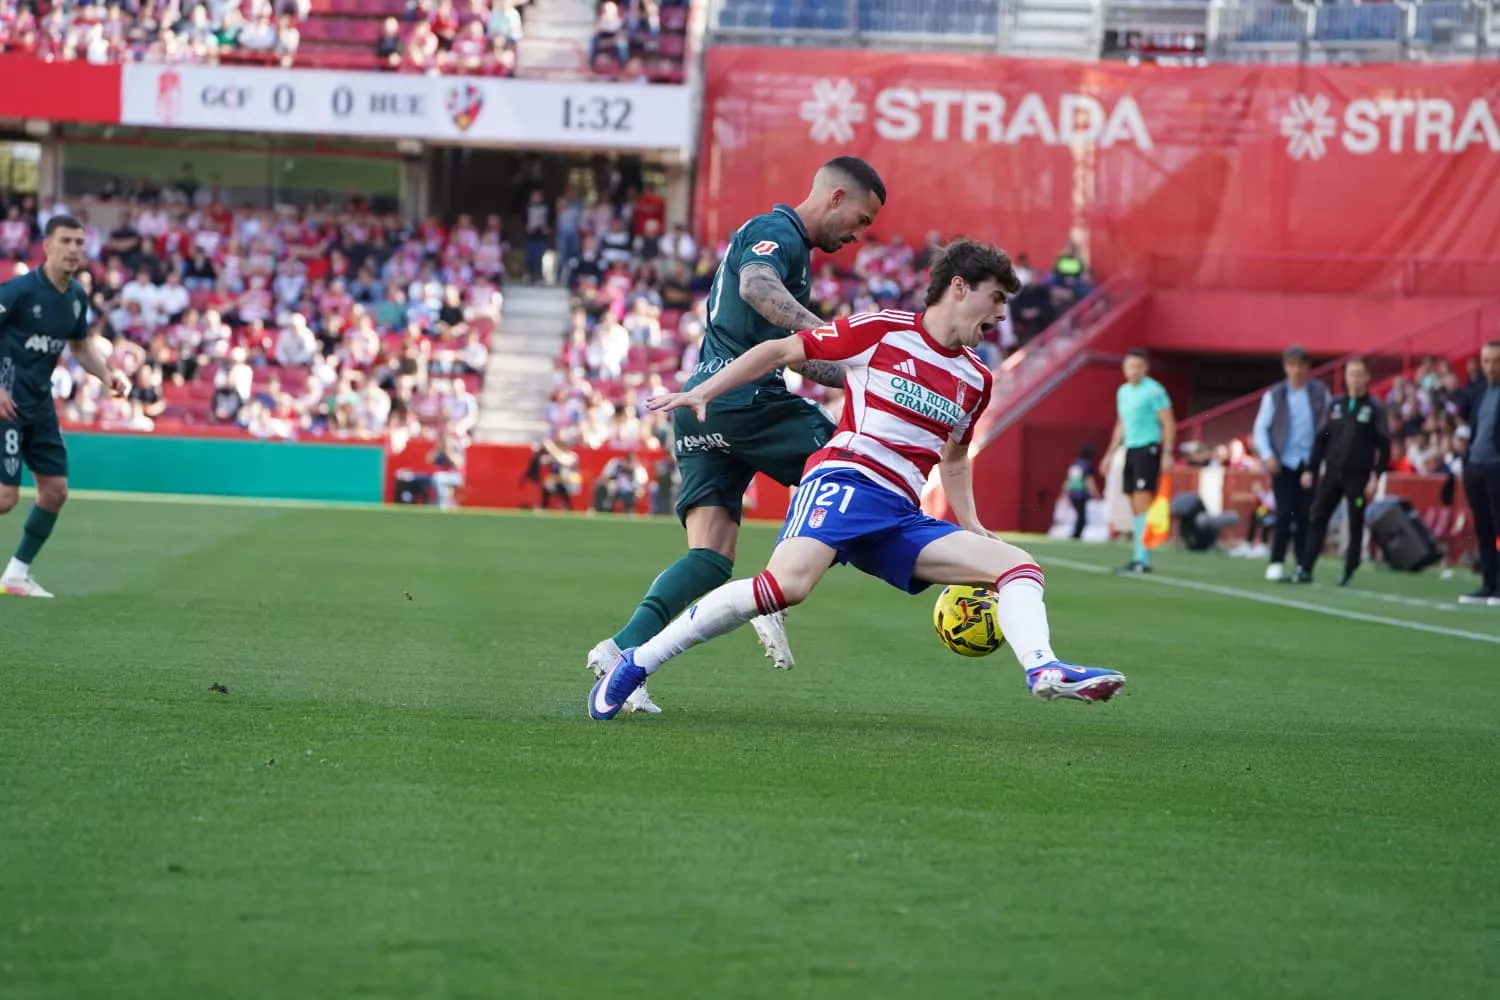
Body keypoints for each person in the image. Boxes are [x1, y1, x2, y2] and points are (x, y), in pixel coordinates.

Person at [588, 240, 1125, 720]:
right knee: (784, 588)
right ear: (959, 287)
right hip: (846, 480)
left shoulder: (976, 378)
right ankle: (637, 662)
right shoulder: (883, 329)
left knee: (1018, 565)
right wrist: (705, 391)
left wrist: (974, 525)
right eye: (997, 298)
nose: (1002, 314)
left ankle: (1044, 670)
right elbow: (780, 351)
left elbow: (955, 459)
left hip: (900, 512)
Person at [585, 156, 887, 714]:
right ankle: (777, 587)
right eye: (862, 221)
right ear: (838, 198)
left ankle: (621, 649)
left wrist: (859, 377)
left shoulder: (787, 247)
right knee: (861, 480)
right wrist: (827, 333)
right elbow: (756, 286)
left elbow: (802, 357)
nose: (860, 236)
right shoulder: (778, 233)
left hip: (703, 407)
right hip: (749, 402)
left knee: (710, 558)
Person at [0, 216, 130, 597]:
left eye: (80, 242)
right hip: (5, 404)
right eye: (67, 241)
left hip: (38, 407)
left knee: (55, 490)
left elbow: (80, 345)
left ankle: (16, 575)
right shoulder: (18, 291)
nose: (75, 249)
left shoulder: (75, 297)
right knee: (5, 498)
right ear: (48, 246)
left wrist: (107, 375)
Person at [1290, 357, 1390, 587]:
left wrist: (1376, 476)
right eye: (1350, 374)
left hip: (1359, 475)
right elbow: (1322, 439)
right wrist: (1311, 469)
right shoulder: (1336, 405)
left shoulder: (1374, 408)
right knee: (1317, 516)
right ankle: (1305, 566)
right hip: (1333, 473)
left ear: (1366, 377)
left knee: (1355, 522)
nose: (1353, 379)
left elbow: (1384, 445)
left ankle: (1349, 569)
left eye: (1358, 374)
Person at [1252, 345, 1331, 581]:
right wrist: (1267, 455)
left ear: (1308, 367)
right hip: (1283, 461)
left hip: (1310, 462)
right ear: (1286, 367)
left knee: (1306, 514)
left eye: (1300, 365)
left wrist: (1321, 460)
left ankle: (1302, 563)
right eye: (1291, 365)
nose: (1296, 370)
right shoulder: (1275, 395)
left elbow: (1327, 427)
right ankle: (1276, 560)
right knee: (1284, 512)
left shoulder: (1319, 393)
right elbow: (1261, 428)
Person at [1102, 349, 1174, 573]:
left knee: (1143, 502)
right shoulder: (1123, 391)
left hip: (1148, 448)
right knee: (1134, 504)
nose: (1133, 371)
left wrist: (1168, 452)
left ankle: (1142, 558)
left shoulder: (1154, 390)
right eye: (1129, 366)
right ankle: (1138, 555)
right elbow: (1121, 424)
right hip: (1131, 450)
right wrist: (1110, 453)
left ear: (1145, 368)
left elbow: (1168, 422)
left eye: (1137, 366)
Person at [1457, 340, 1500, 605]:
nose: (1491, 367)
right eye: (1486, 361)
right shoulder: (1479, 391)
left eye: (1496, 361)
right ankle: (1488, 583)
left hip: (1497, 466)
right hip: (1475, 465)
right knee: (1483, 528)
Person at [1062, 443, 1099, 540]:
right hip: (1080, 493)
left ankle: (1076, 533)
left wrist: (1065, 492)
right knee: (1081, 516)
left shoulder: (1075, 463)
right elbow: (1088, 480)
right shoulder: (1087, 464)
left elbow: (1068, 479)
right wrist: (1095, 493)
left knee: (1079, 515)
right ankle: (1076, 534)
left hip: (1072, 492)